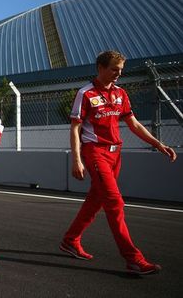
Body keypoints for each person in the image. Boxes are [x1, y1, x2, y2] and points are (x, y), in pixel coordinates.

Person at [60, 50, 177, 275]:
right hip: (95, 153)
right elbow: (75, 128)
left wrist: (158, 143)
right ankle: (133, 258)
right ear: (101, 68)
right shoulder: (85, 93)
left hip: (116, 155)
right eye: (114, 69)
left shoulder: (121, 93)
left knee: (96, 201)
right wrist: (77, 159)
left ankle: (70, 240)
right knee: (115, 203)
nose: (118, 74)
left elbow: (133, 124)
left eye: (121, 70)